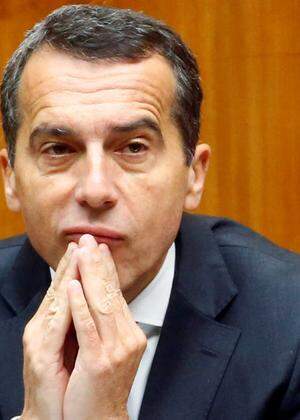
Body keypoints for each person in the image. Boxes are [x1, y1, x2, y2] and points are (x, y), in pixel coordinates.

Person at [0, 4, 299, 420]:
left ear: (193, 175)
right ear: (11, 178)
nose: (95, 190)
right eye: (59, 149)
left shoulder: (291, 321)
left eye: (133, 147)